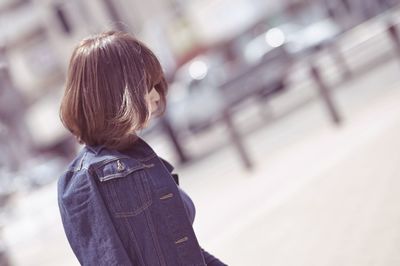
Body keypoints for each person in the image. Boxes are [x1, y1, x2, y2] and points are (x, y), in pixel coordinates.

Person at [57, 31, 227, 266]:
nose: (157, 95)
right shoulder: (85, 180)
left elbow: (185, 250)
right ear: (115, 92)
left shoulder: (140, 156)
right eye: (147, 85)